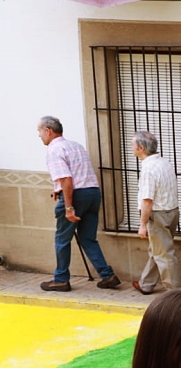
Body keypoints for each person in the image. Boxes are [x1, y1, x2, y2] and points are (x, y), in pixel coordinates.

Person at [37, 116, 121, 292]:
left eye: (39, 131)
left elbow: (67, 179)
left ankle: (60, 279)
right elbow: (77, 175)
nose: (39, 136)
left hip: (76, 196)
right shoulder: (76, 145)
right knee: (88, 238)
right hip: (93, 193)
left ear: (48, 131)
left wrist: (68, 207)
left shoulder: (54, 150)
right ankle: (107, 275)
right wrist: (59, 188)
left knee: (62, 239)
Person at [131, 131, 181, 295]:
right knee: (158, 250)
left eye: (133, 145)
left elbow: (147, 200)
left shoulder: (148, 169)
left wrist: (142, 224)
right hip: (172, 211)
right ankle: (146, 283)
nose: (132, 148)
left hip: (158, 214)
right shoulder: (164, 162)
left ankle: (175, 292)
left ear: (140, 148)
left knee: (164, 255)